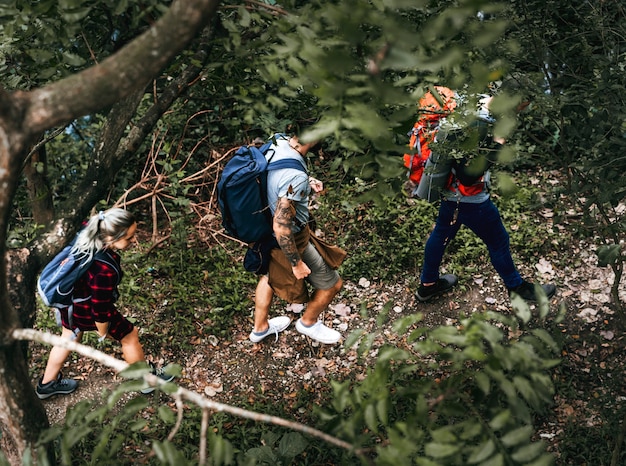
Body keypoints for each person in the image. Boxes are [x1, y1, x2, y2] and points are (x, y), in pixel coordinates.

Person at [414, 92, 557, 303]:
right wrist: (497, 142)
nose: (520, 112)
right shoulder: (478, 124)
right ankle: (517, 288)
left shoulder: (476, 101)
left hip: (449, 192)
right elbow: (467, 176)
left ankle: (428, 285)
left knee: (441, 233)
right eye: (521, 107)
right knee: (498, 241)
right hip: (469, 199)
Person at [35, 207, 174, 399]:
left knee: (68, 337)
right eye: (129, 238)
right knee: (129, 335)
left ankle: (46, 385)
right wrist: (103, 331)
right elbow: (100, 308)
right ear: (110, 238)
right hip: (87, 308)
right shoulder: (103, 269)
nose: (133, 241)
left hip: (70, 304)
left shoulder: (88, 229)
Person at [249, 133, 346, 345]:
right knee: (332, 284)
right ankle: (308, 323)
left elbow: (273, 177)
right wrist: (296, 263)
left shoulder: (279, 140)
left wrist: (304, 182)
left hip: (263, 229)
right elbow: (282, 227)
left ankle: (259, 328)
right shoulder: (294, 176)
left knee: (269, 276)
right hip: (288, 238)